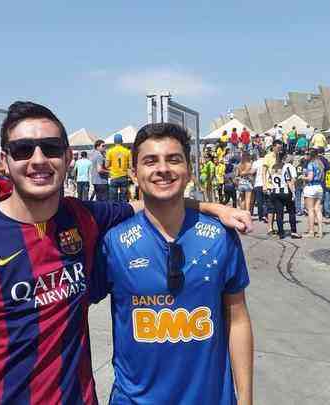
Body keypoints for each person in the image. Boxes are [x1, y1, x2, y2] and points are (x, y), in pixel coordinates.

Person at [0, 102, 252, 405]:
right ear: (4, 160)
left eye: (50, 148)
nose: (37, 160)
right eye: (22, 150)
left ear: (67, 157)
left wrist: (209, 207)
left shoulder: (84, 218)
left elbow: (152, 201)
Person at [96, 122, 253, 404]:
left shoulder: (221, 237)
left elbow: (238, 319)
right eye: (150, 161)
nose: (163, 168)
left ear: (189, 171)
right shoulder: (113, 242)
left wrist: (246, 399)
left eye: (173, 159)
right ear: (134, 173)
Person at [268, 154, 300, 238]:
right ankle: (293, 231)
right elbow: (290, 180)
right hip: (285, 191)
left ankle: (281, 232)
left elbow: (270, 180)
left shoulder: (273, 167)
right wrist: (293, 193)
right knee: (291, 211)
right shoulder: (287, 167)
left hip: (275, 191)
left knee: (279, 213)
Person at [263, 140, 283, 235]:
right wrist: (264, 185)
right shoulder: (268, 157)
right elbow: (264, 172)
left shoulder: (280, 157)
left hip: (279, 186)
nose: (279, 149)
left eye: (280, 148)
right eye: (278, 148)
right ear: (273, 147)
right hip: (270, 186)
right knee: (271, 208)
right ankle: (270, 228)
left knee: (278, 208)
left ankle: (279, 227)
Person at [303, 148, 325, 238]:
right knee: (318, 209)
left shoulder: (311, 164)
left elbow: (310, 178)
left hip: (311, 187)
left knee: (310, 210)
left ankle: (311, 231)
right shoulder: (320, 164)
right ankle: (320, 231)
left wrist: (302, 177)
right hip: (319, 187)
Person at [106, 134, 132, 202]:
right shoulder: (127, 151)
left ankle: (114, 211)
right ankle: (124, 211)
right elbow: (130, 166)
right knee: (123, 198)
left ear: (114, 141)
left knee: (113, 199)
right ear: (122, 141)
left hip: (114, 177)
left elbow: (107, 165)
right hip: (124, 176)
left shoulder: (110, 151)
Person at [250, 150, 266, 220]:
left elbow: (252, 172)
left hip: (258, 183)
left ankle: (260, 215)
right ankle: (266, 214)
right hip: (266, 183)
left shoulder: (256, 163)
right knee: (266, 200)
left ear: (259, 155)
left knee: (259, 201)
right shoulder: (266, 162)